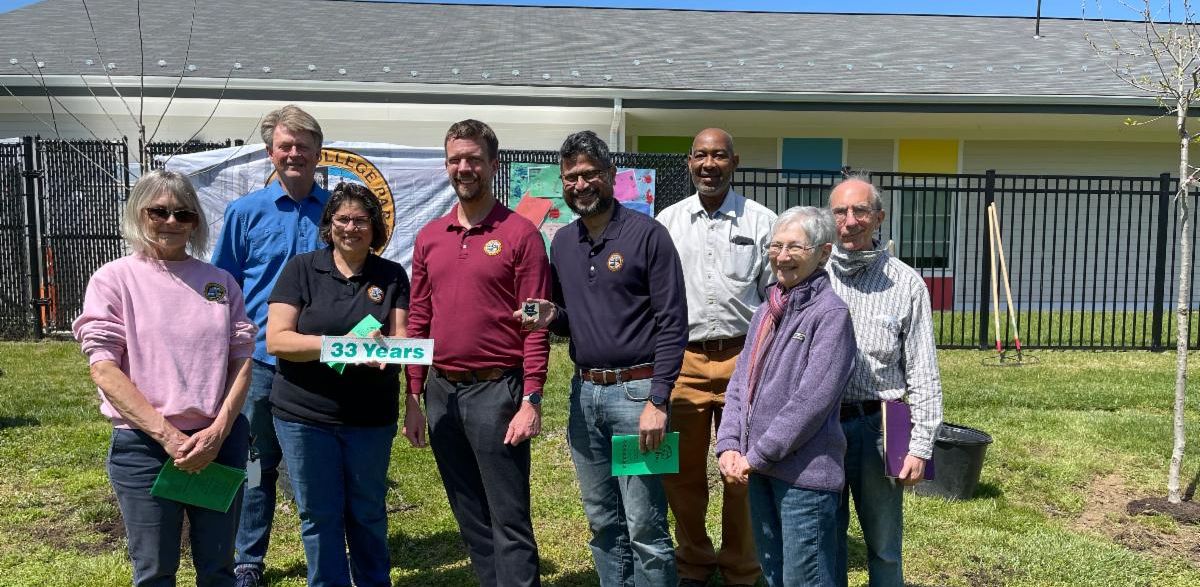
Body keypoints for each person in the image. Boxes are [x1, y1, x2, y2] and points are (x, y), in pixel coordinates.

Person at [520, 130, 687, 587]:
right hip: (584, 397)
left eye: (589, 173)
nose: (580, 184)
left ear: (611, 175)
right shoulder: (563, 243)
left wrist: (658, 400)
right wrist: (553, 317)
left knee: (645, 525)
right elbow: (572, 320)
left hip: (637, 398)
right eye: (570, 177)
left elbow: (673, 323)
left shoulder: (647, 236)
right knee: (602, 520)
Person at [73, 170, 256, 586]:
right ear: (139, 213)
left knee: (219, 569)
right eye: (159, 212)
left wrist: (218, 431)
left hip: (218, 444)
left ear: (196, 221)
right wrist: (169, 437)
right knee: (155, 571)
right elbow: (104, 368)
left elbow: (242, 360)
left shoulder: (219, 282)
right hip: (145, 447)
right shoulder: (114, 279)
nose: (172, 222)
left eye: (183, 214)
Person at [405, 119, 550, 587]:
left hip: (497, 392)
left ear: (493, 164)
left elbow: (535, 323)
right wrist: (413, 395)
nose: (463, 168)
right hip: (442, 393)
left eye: (473, 159)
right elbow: (419, 318)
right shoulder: (430, 237)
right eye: (455, 159)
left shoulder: (520, 235)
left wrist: (531, 398)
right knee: (468, 512)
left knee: (508, 517)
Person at [265, 182, 414, 587]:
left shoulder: (391, 275)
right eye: (342, 219)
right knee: (319, 513)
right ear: (329, 225)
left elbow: (400, 339)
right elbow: (277, 340)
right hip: (304, 415)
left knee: (367, 510)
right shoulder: (301, 269)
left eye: (360, 220)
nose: (351, 228)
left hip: (370, 416)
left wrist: (387, 351)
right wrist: (339, 346)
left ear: (375, 226)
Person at [210, 104, 330, 587]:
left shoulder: (338, 214)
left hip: (319, 364)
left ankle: (326, 556)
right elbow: (222, 287)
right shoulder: (244, 213)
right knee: (257, 464)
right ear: (270, 153)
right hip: (260, 363)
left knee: (314, 467)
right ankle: (248, 559)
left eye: (303, 145)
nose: (294, 153)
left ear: (319, 153)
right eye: (285, 146)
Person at [655, 128, 774, 587]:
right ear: (689, 162)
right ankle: (694, 561)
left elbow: (774, 299)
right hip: (682, 361)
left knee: (741, 470)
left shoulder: (762, 222)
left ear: (734, 162)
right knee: (680, 472)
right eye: (701, 155)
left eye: (719, 155)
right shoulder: (667, 223)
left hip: (744, 359)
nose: (710, 164)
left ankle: (741, 567)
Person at [715, 206, 855, 587]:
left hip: (805, 479)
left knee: (806, 580)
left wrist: (756, 455)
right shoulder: (766, 310)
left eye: (795, 247)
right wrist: (729, 445)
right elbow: (740, 384)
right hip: (760, 471)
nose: (782, 256)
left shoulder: (831, 315)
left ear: (823, 253)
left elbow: (810, 404)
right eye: (776, 246)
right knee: (774, 576)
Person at [825, 176, 944, 587]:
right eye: (840, 211)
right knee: (826, 539)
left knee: (884, 545)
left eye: (860, 211)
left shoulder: (906, 283)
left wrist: (921, 446)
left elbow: (923, 370)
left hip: (877, 426)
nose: (850, 221)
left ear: (879, 217)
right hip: (819, 428)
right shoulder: (813, 274)